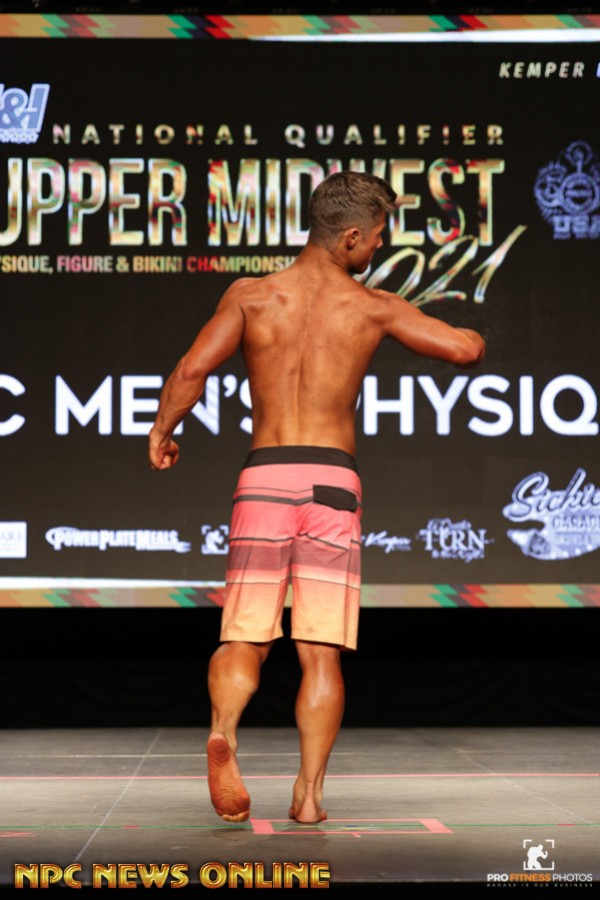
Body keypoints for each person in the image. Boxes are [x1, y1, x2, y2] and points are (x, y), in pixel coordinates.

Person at [148, 171, 485, 825]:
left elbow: (192, 369)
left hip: (264, 480)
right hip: (331, 483)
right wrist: (466, 333)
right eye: (378, 237)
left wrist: (163, 430)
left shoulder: (251, 296)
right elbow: (462, 349)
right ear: (350, 237)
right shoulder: (372, 306)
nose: (380, 248)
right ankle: (307, 798)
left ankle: (223, 730)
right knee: (320, 650)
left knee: (245, 636)